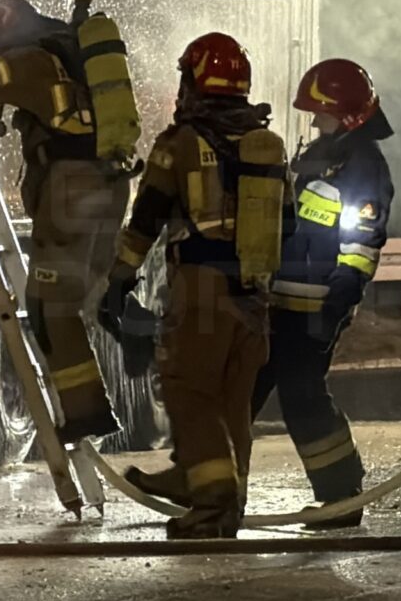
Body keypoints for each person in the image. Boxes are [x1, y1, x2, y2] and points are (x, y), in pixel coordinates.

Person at [0, 0, 135, 445]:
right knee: (75, 299)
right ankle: (133, 346)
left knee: (49, 305)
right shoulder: (66, 55)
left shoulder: (30, 63)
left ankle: (88, 412)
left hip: (73, 192)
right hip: (108, 187)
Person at [99, 32, 287, 538]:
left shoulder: (180, 144)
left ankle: (209, 503)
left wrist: (119, 280)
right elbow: (287, 227)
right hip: (255, 296)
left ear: (193, 83)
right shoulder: (267, 146)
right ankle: (224, 505)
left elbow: (146, 219)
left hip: (203, 290)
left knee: (188, 389)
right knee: (232, 403)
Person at [251, 58, 395, 527]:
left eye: (321, 112)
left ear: (347, 113)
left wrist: (338, 301)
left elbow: (361, 244)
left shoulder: (363, 166)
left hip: (315, 305)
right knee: (240, 393)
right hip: (279, 300)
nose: (314, 121)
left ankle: (341, 498)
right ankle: (212, 490)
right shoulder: (323, 154)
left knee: (303, 395)